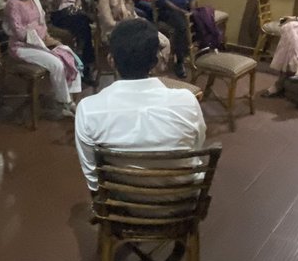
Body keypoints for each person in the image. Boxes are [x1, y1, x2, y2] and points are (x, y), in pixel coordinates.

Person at [74, 19, 206, 194]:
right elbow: (196, 149)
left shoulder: (88, 110)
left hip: (121, 207)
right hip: (181, 204)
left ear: (111, 60)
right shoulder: (188, 101)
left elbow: (93, 179)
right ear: (156, 60)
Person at [4, 0, 81, 120]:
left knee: (69, 55)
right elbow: (19, 32)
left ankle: (71, 98)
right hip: (22, 47)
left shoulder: (34, 0)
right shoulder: (13, 4)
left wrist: (46, 38)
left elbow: (42, 24)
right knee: (56, 64)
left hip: (41, 41)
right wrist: (39, 37)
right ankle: (65, 103)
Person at [92, 0, 171, 71]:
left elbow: (132, 14)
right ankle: (144, 72)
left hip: (130, 28)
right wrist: (130, 26)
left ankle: (149, 71)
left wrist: (138, 22)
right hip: (114, 33)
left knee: (162, 41)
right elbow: (108, 22)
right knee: (147, 43)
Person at [39, 0, 95, 85]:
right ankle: (86, 64)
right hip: (59, 15)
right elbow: (54, 7)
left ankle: (83, 65)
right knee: (84, 22)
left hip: (74, 12)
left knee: (83, 22)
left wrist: (77, 6)